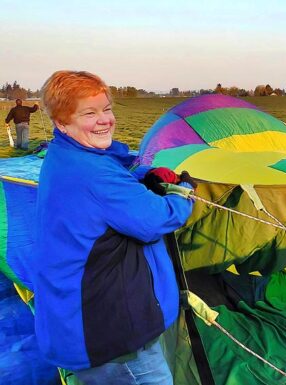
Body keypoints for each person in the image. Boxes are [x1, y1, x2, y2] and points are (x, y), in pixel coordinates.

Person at [32, 70, 196, 384]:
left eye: (106, 109)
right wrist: (183, 190)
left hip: (83, 324)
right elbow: (156, 218)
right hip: (111, 336)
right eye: (89, 113)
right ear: (61, 121)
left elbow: (114, 169)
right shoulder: (91, 173)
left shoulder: (66, 155)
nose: (105, 119)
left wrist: (144, 173)